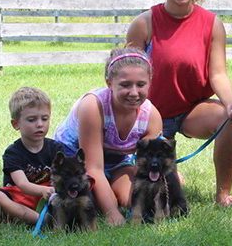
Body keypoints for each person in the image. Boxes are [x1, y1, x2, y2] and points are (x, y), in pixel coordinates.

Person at [125, 0, 232, 207]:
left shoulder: (211, 24)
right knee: (149, 194)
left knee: (230, 120)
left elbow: (218, 73)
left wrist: (231, 102)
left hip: (192, 110)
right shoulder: (144, 23)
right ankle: (173, 174)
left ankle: (223, 194)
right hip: (151, 114)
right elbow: (126, 74)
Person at [54, 47, 162, 225]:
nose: (134, 92)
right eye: (125, 85)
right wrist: (112, 213)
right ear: (109, 82)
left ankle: (110, 190)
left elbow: (147, 166)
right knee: (82, 202)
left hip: (118, 160)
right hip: (75, 161)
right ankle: (103, 198)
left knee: (132, 200)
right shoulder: (93, 106)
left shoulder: (151, 116)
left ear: (150, 82)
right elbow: (93, 167)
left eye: (141, 84)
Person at [0, 87, 64, 225]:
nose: (39, 124)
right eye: (31, 120)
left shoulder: (56, 148)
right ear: (16, 124)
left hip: (48, 196)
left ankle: (56, 217)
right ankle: (42, 221)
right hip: (19, 197)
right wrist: (45, 190)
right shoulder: (12, 152)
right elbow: (22, 184)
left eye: (45, 118)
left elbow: (63, 176)